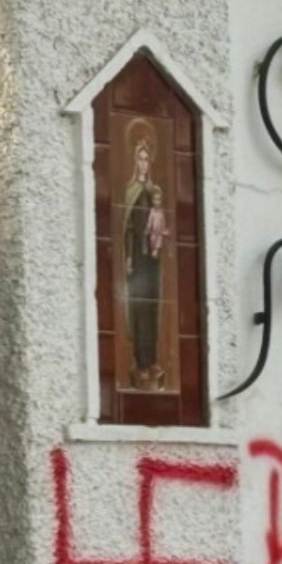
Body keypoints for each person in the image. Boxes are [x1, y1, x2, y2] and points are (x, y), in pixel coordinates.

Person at [123, 138, 168, 390]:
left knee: (152, 308)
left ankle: (152, 360)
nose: (143, 163)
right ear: (134, 162)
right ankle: (139, 362)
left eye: (146, 158)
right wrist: (129, 256)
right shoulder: (130, 191)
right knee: (138, 306)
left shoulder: (155, 192)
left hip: (152, 259)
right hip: (136, 258)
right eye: (140, 158)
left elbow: (159, 224)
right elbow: (127, 229)